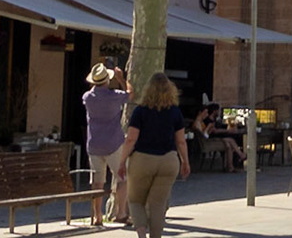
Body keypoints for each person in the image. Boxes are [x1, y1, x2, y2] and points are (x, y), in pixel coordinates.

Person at [116, 72, 190, 238]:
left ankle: (142, 234)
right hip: (169, 160)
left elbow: (131, 139)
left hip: (143, 159)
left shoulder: (140, 111)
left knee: (136, 200)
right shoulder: (175, 112)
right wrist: (185, 161)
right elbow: (181, 141)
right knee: (158, 203)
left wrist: (122, 161)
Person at [81, 64, 128, 216]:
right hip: (113, 143)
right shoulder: (114, 95)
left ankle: (97, 215)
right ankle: (121, 213)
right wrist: (121, 79)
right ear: (107, 80)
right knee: (122, 178)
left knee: (97, 182)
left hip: (94, 144)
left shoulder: (87, 97)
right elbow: (130, 94)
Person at [193, 104, 244, 172]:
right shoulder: (198, 123)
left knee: (228, 144)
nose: (206, 114)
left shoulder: (202, 122)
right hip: (209, 142)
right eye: (205, 113)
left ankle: (230, 166)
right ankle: (239, 157)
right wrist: (209, 128)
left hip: (210, 139)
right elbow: (205, 135)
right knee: (229, 141)